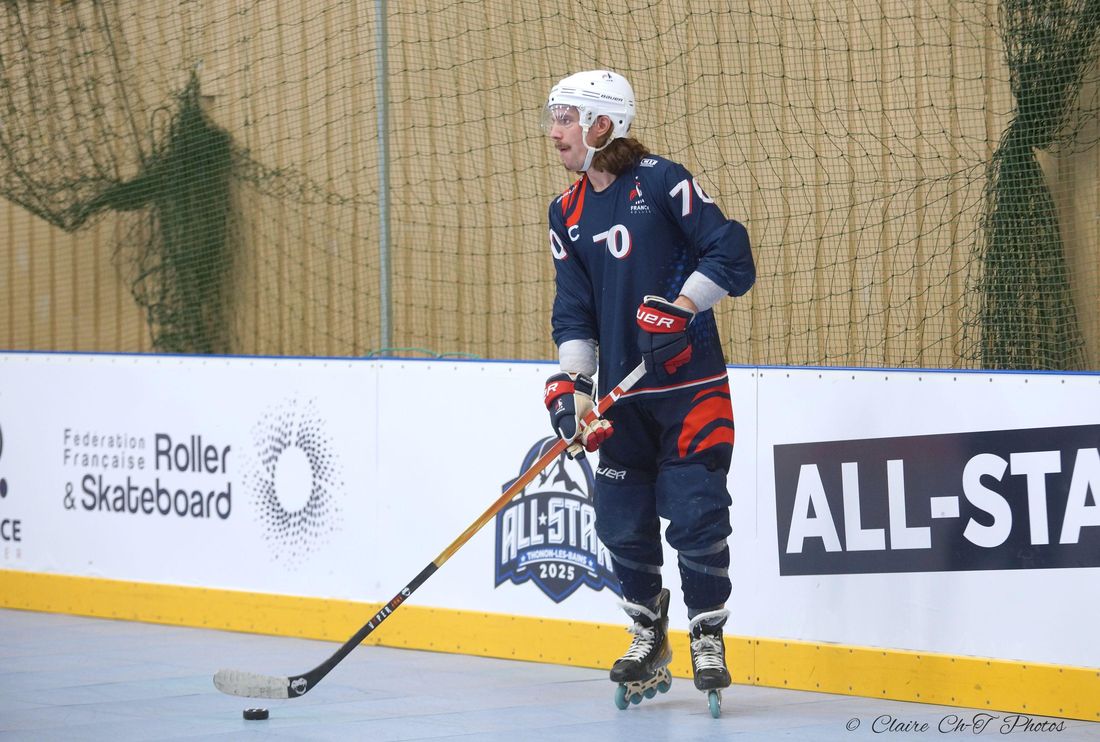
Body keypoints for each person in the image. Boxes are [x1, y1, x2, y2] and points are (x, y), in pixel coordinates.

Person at [539, 69, 756, 710]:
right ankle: (648, 631)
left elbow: (732, 253)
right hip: (623, 401)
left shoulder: (663, 182)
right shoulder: (566, 213)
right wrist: (576, 388)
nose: (554, 132)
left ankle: (707, 635)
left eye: (565, 118)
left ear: (602, 124)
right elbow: (574, 311)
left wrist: (683, 309)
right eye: (553, 118)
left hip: (691, 389)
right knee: (619, 523)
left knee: (695, 514)